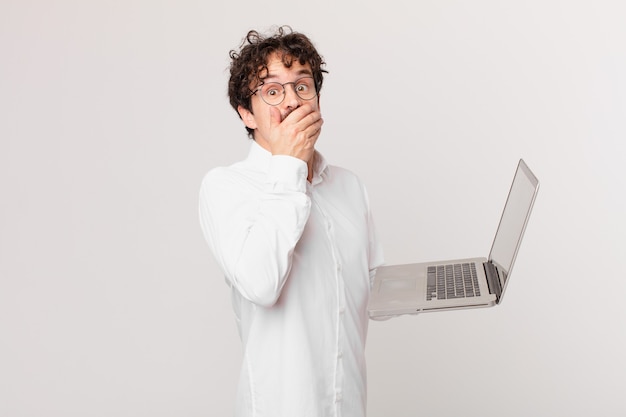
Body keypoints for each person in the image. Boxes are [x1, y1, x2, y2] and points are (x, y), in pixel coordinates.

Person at [199, 26, 384, 417]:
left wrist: (436, 287)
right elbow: (261, 284)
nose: (292, 102)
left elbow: (370, 292)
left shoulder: (349, 186)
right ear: (246, 114)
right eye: (272, 91)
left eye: (303, 86)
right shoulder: (227, 186)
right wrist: (290, 167)